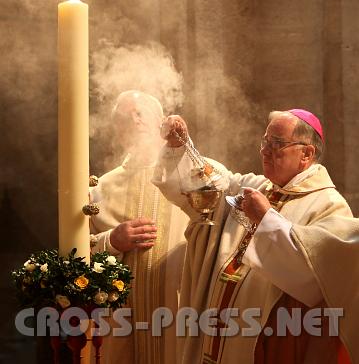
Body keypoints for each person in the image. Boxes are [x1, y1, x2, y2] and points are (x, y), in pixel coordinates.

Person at [152, 109, 359, 364]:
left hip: (275, 340)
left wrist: (266, 219)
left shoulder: (328, 205)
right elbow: (214, 181)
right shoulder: (258, 186)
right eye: (265, 141)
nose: (264, 150)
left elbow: (313, 278)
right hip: (219, 330)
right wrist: (179, 148)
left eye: (277, 144)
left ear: (306, 154)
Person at [89, 90, 189, 364]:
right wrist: (112, 241)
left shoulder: (193, 174)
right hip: (123, 320)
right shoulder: (100, 189)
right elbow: (75, 253)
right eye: (125, 117)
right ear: (117, 132)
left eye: (141, 112)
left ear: (162, 121)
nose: (135, 120)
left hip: (183, 313)